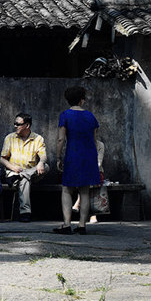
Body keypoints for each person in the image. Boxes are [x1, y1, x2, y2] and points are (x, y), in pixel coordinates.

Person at [54, 85, 100, 235]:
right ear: (82, 100)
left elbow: (61, 139)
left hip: (73, 155)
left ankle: (67, 224)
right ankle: (82, 225)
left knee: (67, 189)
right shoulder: (91, 116)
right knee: (84, 191)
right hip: (89, 155)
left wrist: (58, 156)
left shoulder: (65, 115)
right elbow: (94, 140)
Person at [0, 112, 49, 222]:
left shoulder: (38, 138)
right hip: (13, 172)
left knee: (46, 166)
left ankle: (22, 175)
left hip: (30, 172)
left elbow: (43, 155)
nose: (15, 126)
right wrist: (13, 168)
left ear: (27, 125)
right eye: (14, 124)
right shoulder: (10, 138)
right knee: (25, 180)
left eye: (18, 124)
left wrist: (40, 163)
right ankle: (25, 212)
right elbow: (2, 159)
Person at [73, 140, 105, 223]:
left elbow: (99, 162)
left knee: (90, 180)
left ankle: (78, 202)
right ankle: (93, 215)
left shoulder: (100, 145)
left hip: (96, 172)